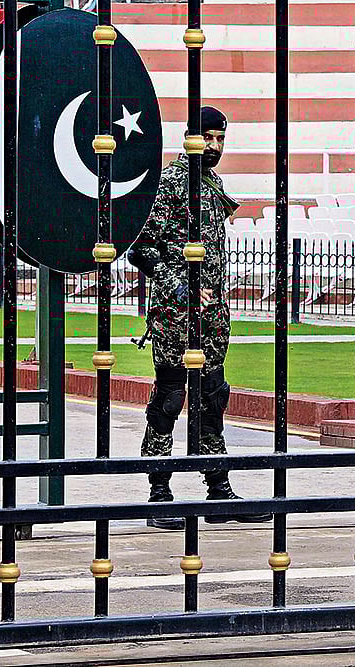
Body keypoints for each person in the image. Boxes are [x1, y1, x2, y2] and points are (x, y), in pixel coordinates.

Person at [128, 106, 271, 530]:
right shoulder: (171, 183)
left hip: (212, 316)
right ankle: (159, 492)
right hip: (175, 314)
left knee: (213, 398)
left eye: (220, 139)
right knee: (171, 398)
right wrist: (182, 285)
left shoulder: (213, 183)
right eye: (206, 138)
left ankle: (218, 491)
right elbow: (141, 248)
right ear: (189, 139)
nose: (213, 147)